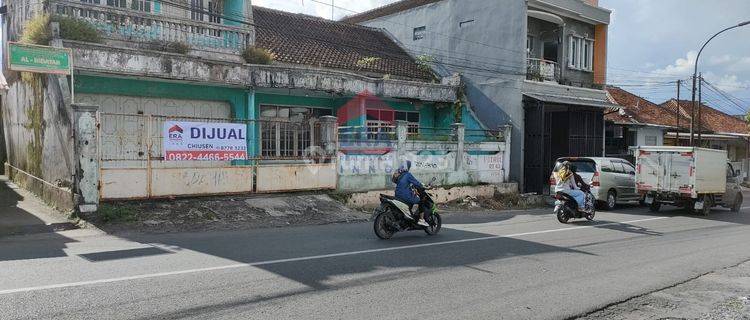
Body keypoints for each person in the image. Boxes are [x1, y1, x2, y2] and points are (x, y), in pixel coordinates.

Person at [392, 161, 429, 227]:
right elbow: (416, 183)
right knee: (421, 201)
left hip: (397, 195)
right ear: (408, 167)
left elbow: (397, 182)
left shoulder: (399, 174)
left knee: (412, 200)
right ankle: (421, 219)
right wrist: (424, 186)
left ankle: (409, 215)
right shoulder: (407, 174)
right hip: (405, 196)